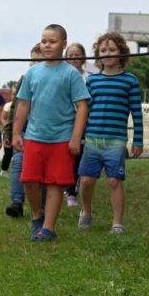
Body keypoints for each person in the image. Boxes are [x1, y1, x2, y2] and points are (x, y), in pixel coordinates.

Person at [13, 25, 89, 241]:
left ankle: (48, 228)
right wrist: (16, 133)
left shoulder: (71, 74)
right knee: (29, 180)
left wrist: (76, 137)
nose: (47, 45)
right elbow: (23, 104)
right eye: (44, 41)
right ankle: (37, 216)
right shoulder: (32, 73)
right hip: (34, 137)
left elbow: (82, 106)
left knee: (55, 183)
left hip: (61, 139)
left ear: (63, 44)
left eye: (52, 41)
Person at [77, 33, 143, 235]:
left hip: (116, 141)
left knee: (114, 181)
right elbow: (84, 111)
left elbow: (137, 112)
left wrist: (138, 140)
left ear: (121, 52)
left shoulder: (130, 81)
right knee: (86, 181)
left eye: (112, 50)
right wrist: (77, 136)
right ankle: (86, 211)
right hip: (92, 140)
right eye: (103, 50)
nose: (107, 53)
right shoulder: (92, 80)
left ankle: (117, 223)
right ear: (98, 54)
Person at [4, 44, 43, 218]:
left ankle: (42, 205)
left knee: (40, 169)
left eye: (38, 60)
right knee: (18, 162)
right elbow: (15, 106)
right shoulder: (25, 78)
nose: (34, 64)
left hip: (44, 132)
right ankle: (16, 202)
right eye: (32, 60)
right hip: (23, 131)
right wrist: (10, 132)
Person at [63, 43, 89, 207]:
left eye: (77, 55)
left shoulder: (89, 78)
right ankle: (69, 189)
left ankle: (73, 188)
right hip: (65, 121)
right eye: (70, 55)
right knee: (67, 156)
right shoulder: (62, 75)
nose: (74, 58)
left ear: (83, 57)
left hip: (84, 121)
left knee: (79, 155)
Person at [0, 86, 14, 178]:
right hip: (8, 133)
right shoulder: (8, 106)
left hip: (23, 132)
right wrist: (8, 128)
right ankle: (4, 170)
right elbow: (3, 118)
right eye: (14, 94)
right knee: (8, 153)